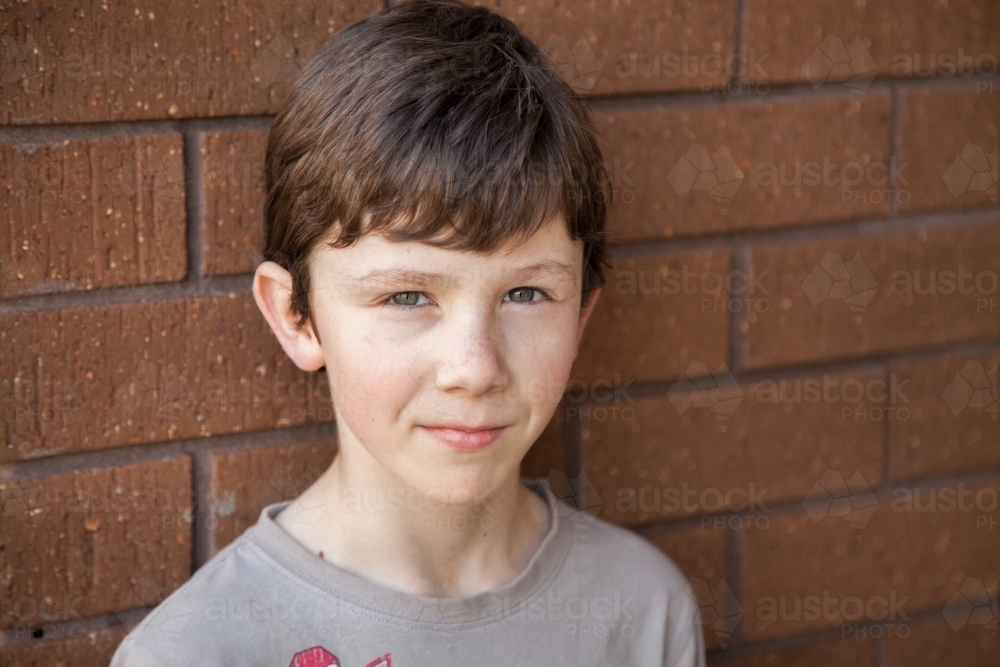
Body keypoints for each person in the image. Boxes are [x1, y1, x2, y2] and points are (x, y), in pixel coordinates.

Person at [110, 1, 706, 665]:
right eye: (407, 295)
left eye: (527, 293)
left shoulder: (643, 608)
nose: (475, 368)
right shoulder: (199, 651)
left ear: (580, 318)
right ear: (295, 316)